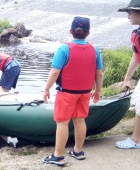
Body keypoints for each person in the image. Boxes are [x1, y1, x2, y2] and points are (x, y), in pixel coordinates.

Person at [42, 16, 103, 166]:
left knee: (62, 123)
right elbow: (99, 73)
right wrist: (98, 91)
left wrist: (46, 89)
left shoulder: (64, 49)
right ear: (88, 33)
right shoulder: (95, 50)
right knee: (80, 120)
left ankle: (58, 156)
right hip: (85, 92)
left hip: (67, 93)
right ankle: (78, 151)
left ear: (71, 31)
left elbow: (55, 72)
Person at [116, 0, 140, 149]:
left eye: (130, 13)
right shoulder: (137, 33)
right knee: (138, 102)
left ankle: (135, 140)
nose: (128, 16)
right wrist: (127, 79)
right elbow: (135, 56)